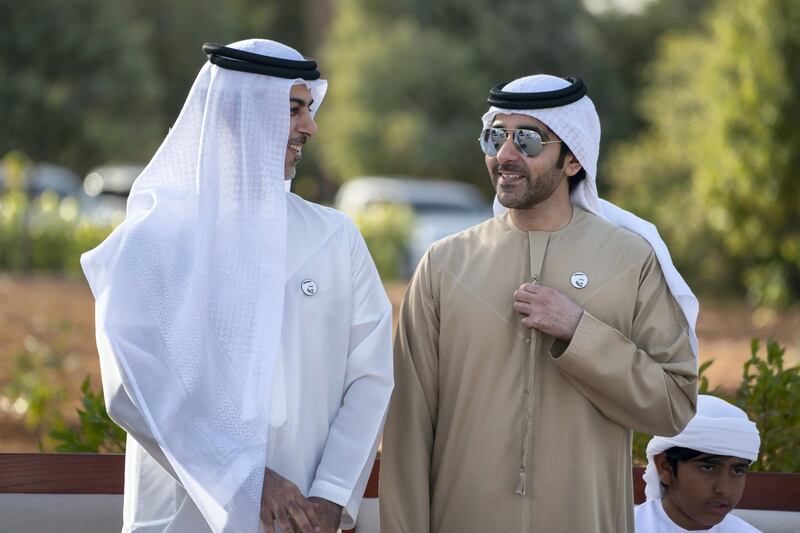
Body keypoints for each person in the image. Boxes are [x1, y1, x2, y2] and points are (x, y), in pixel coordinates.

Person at [81, 39, 393, 533]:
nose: (310, 127)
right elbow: (134, 389)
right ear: (238, 114)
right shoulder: (154, 244)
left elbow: (370, 378)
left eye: (309, 109)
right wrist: (248, 481)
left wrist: (332, 498)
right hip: (185, 520)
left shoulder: (337, 238)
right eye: (294, 110)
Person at [379, 74, 699, 532]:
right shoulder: (445, 264)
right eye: (495, 137)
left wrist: (580, 331)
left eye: (527, 141)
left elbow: (673, 406)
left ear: (572, 159)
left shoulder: (631, 259)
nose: (504, 156)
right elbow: (408, 428)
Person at [636, 395, 762, 532]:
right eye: (708, 467)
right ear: (665, 467)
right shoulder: (624, 527)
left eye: (737, 471)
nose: (724, 490)